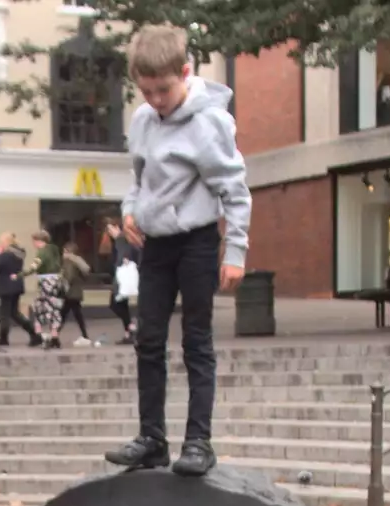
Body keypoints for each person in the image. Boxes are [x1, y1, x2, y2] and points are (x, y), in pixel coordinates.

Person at [103, 25, 251, 479]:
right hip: (156, 244)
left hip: (197, 241)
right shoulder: (143, 120)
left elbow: (236, 190)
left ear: (184, 72)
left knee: (196, 340)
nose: (156, 100)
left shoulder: (208, 123)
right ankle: (152, 439)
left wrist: (236, 251)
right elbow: (138, 181)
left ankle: (199, 442)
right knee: (148, 339)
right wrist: (130, 211)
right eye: (146, 91)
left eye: (163, 90)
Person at [0, 232, 38, 351]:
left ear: (6, 242)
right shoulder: (19, 253)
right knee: (14, 314)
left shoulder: (7, 254)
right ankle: (34, 334)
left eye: (2, 241)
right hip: (16, 286)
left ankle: (3, 339)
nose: (0, 243)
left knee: (4, 314)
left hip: (6, 287)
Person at [24, 230, 65, 348]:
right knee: (53, 308)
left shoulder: (41, 253)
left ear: (38, 241)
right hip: (55, 281)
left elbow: (33, 267)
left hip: (46, 283)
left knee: (40, 308)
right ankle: (54, 336)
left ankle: (41, 336)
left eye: (33, 241)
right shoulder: (54, 249)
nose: (33, 244)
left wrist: (19, 275)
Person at [104, 214, 140, 344]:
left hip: (121, 277)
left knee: (115, 304)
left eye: (110, 229)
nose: (109, 232)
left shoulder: (121, 239)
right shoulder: (123, 239)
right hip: (122, 275)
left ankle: (132, 327)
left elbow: (123, 254)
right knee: (122, 304)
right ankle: (128, 332)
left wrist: (123, 259)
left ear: (117, 227)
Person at [59, 242, 93, 346]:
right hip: (76, 292)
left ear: (69, 252)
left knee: (63, 315)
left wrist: (62, 282)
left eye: (64, 252)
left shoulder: (69, 262)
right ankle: (85, 335)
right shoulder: (77, 261)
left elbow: (69, 277)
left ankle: (54, 334)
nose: (63, 254)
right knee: (75, 315)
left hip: (70, 292)